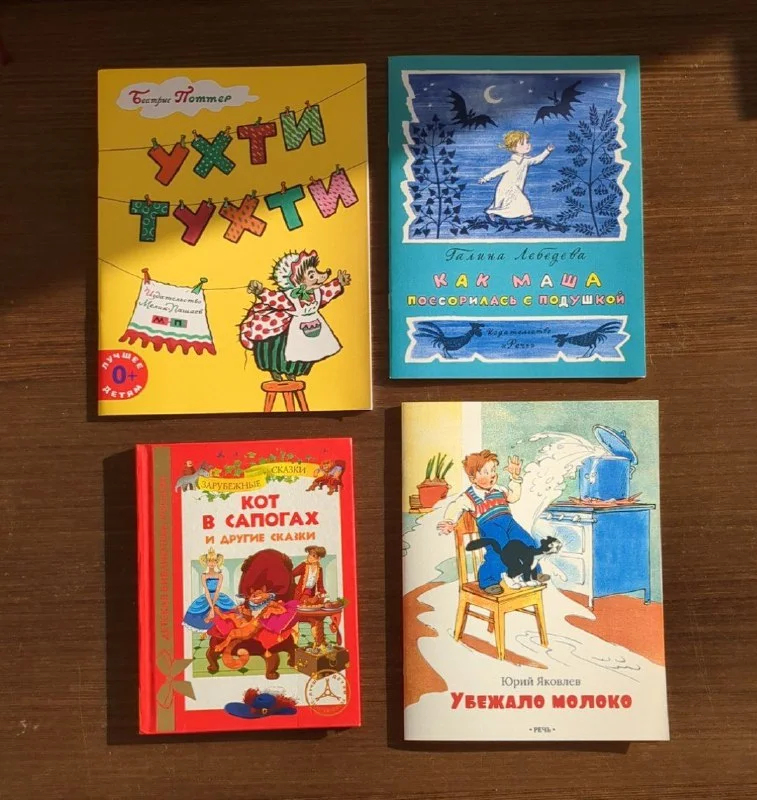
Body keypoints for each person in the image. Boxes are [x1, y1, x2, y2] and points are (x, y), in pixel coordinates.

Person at [437, 449, 539, 595]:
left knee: (528, 542)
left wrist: (515, 478)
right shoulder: (469, 496)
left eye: (493, 470)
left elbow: (513, 497)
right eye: (486, 472)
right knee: (499, 549)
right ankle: (488, 580)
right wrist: (449, 521)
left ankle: (532, 573)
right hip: (490, 525)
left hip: (509, 523)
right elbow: (455, 506)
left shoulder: (499, 489)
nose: (492, 475)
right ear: (473, 478)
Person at [479, 131, 554, 221]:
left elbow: (538, 159)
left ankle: (492, 213)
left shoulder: (526, 160)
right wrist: (486, 178)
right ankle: (527, 217)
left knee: (508, 204)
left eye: (527, 142)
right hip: (506, 187)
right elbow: (498, 171)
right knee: (522, 201)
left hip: (516, 187)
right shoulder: (512, 163)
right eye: (522, 144)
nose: (527, 145)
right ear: (513, 147)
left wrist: (547, 151)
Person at [182, 547, 237, 631]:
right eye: (209, 561)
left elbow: (217, 590)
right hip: (207, 597)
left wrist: (213, 607)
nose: (212, 563)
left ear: (217, 562)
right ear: (206, 562)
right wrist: (211, 607)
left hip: (217, 596)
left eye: (214, 561)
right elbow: (206, 591)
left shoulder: (219, 575)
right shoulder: (204, 575)